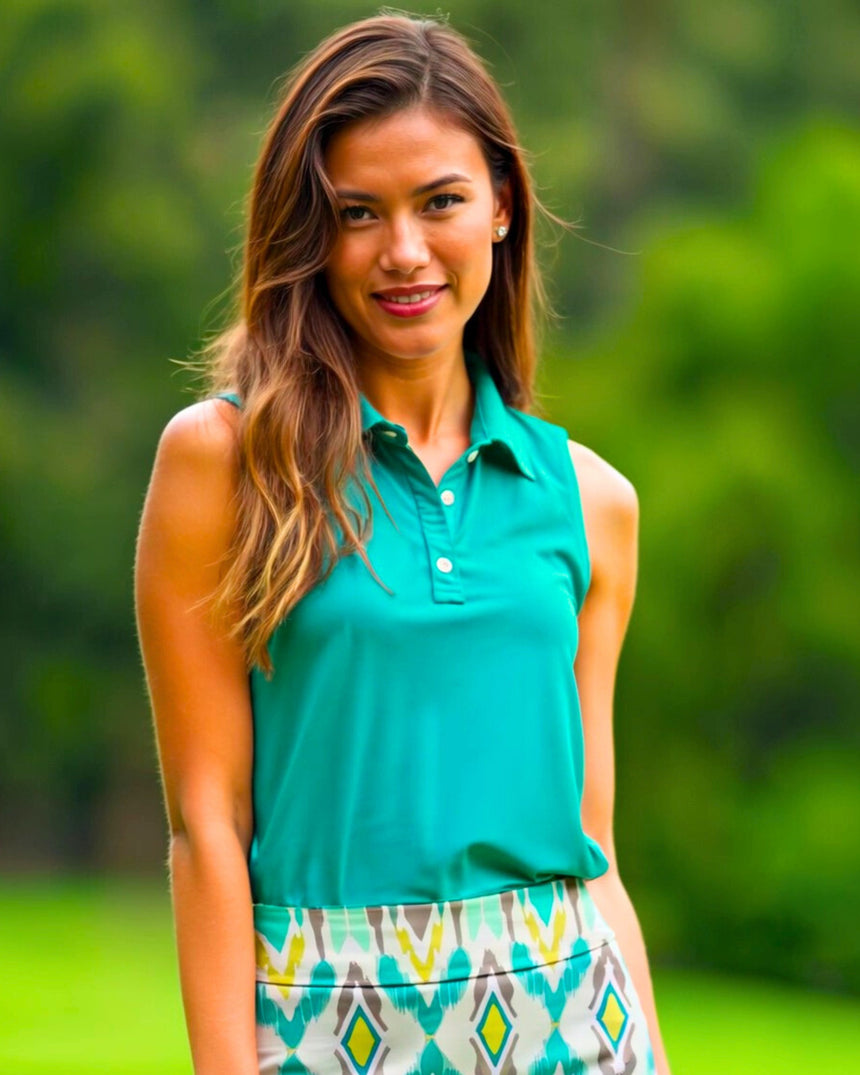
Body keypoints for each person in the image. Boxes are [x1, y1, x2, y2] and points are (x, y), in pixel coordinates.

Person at [135, 12, 672, 1075]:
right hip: (321, 1019)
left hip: (570, 1016)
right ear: (309, 234)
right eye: (356, 214)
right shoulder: (223, 464)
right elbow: (206, 825)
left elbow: (591, 848)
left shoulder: (591, 500)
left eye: (441, 202)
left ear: (502, 208)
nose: (404, 253)